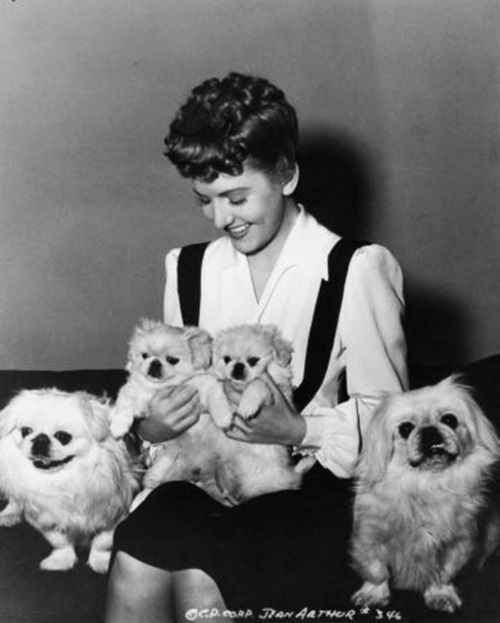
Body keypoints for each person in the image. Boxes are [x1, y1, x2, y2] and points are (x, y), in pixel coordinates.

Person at [105, 72, 408, 622]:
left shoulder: (356, 269)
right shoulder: (188, 269)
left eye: (236, 197)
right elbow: (171, 386)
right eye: (205, 200)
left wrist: (296, 430)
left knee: (206, 571)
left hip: (308, 486)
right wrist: (154, 429)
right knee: (138, 550)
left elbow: (394, 422)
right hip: (204, 473)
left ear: (287, 175)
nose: (222, 218)